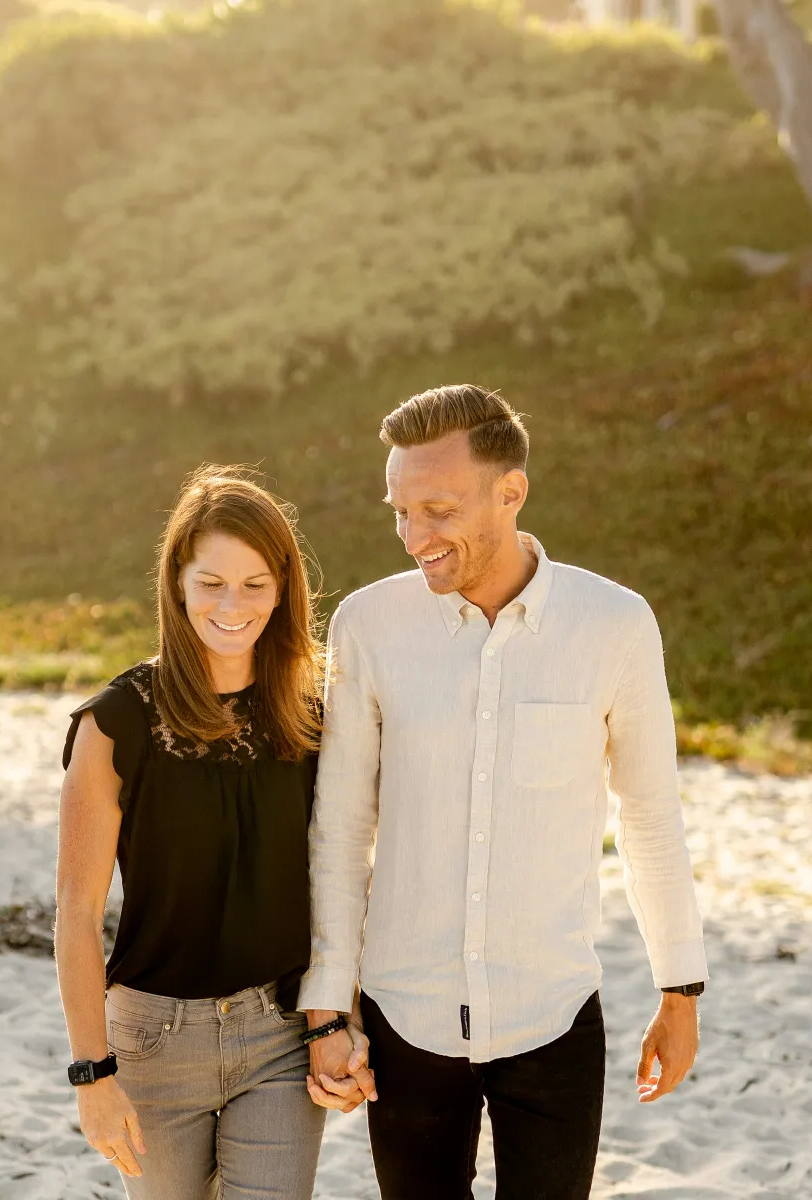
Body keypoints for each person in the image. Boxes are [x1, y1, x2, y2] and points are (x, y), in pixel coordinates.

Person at [298, 385, 709, 1199]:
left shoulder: (614, 625)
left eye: (438, 509)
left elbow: (650, 814)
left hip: (553, 1016)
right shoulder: (367, 626)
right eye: (401, 511)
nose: (416, 537)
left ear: (511, 491)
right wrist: (327, 1009)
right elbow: (340, 830)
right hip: (403, 1018)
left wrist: (680, 987)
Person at [53, 467, 371, 1198]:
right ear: (177, 582)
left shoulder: (318, 714)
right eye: (212, 583)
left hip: (281, 1037)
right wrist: (91, 1075)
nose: (234, 605)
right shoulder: (114, 724)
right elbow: (75, 913)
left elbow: (344, 876)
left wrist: (339, 1020)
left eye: (256, 584)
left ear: (285, 586)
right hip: (153, 1041)